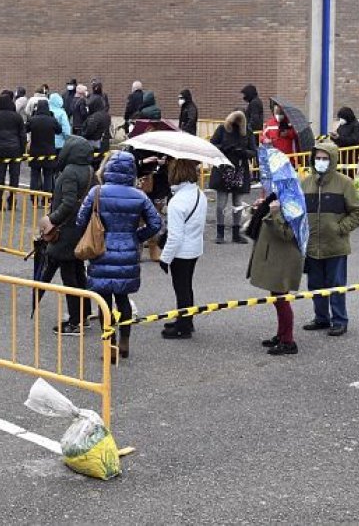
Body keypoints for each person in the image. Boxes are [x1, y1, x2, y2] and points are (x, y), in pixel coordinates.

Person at [75, 151, 162, 361]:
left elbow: (80, 221)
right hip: (128, 251)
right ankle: (125, 341)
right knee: (122, 298)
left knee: (103, 300)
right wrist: (136, 236)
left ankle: (110, 343)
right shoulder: (139, 195)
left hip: (101, 250)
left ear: (108, 169)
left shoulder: (97, 192)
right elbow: (156, 223)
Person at [299, 140, 359, 336]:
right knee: (315, 285)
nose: (320, 161)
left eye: (324, 158)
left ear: (332, 160)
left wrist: (340, 228)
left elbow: (357, 213)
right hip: (312, 246)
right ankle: (321, 318)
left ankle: (339, 320)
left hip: (336, 245)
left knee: (336, 285)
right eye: (317, 158)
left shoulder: (344, 183)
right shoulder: (306, 183)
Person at [38, 135, 97, 334]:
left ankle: (74, 321)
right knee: (79, 272)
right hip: (81, 229)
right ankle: (84, 315)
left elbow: (69, 203)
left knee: (69, 276)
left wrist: (51, 219)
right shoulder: (90, 171)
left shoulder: (70, 172)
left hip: (66, 231)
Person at [247, 194, 304, 355]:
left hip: (284, 258)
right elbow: (263, 223)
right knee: (277, 298)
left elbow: (287, 233)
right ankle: (281, 335)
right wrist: (261, 209)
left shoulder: (293, 202)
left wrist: (275, 213)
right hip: (275, 257)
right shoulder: (276, 198)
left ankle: (288, 341)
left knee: (282, 299)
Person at [160, 159, 207, 339]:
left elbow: (175, 236)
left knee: (181, 288)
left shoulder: (177, 201)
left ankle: (184, 326)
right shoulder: (198, 194)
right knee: (186, 287)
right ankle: (185, 320)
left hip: (180, 252)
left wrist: (165, 258)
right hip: (194, 247)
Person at [209, 110, 256, 244]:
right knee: (221, 204)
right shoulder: (222, 129)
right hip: (224, 169)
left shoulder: (247, 131)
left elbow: (253, 151)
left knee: (238, 204)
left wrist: (243, 152)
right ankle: (220, 233)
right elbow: (212, 144)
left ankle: (236, 233)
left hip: (239, 170)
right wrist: (224, 147)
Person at [0, 90, 25, 207]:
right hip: (15, 149)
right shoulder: (17, 117)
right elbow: (22, 135)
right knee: (14, 176)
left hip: (0, 150)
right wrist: (22, 151)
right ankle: (12, 201)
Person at [26, 99, 60, 193]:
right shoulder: (52, 120)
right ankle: (46, 199)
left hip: (35, 151)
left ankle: (33, 197)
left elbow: (26, 129)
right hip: (49, 151)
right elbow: (59, 130)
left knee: (34, 175)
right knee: (48, 175)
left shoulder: (33, 120)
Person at [82, 94, 110, 160]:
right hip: (104, 143)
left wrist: (83, 133)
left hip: (95, 144)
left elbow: (89, 130)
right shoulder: (106, 115)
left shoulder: (95, 117)